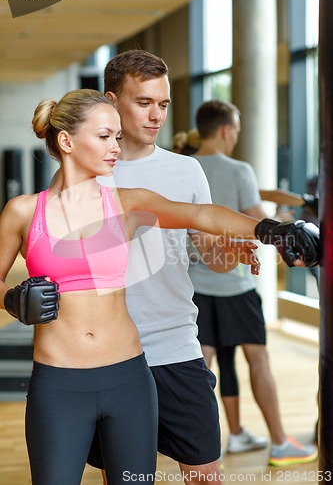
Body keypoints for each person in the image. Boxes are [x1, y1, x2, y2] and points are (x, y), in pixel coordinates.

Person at [0, 88, 269, 484]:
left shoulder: (126, 203)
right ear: (66, 141)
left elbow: (198, 213)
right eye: (105, 136)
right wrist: (11, 299)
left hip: (128, 379)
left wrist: (271, 229)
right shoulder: (23, 211)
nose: (115, 147)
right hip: (59, 383)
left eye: (117, 137)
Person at [78, 50, 319, 484]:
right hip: (107, 353)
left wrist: (234, 251)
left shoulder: (185, 171)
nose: (156, 116)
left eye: (163, 104)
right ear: (112, 102)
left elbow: (210, 255)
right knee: (127, 476)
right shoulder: (86, 173)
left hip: (174, 345)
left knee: (207, 473)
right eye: (144, 103)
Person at [189, 99, 319, 467]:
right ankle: (279, 441)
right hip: (234, 285)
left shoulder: (184, 168)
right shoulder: (238, 169)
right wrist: (283, 217)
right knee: (258, 361)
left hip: (195, 287)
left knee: (200, 371)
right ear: (227, 130)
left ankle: (203, 448)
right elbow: (261, 224)